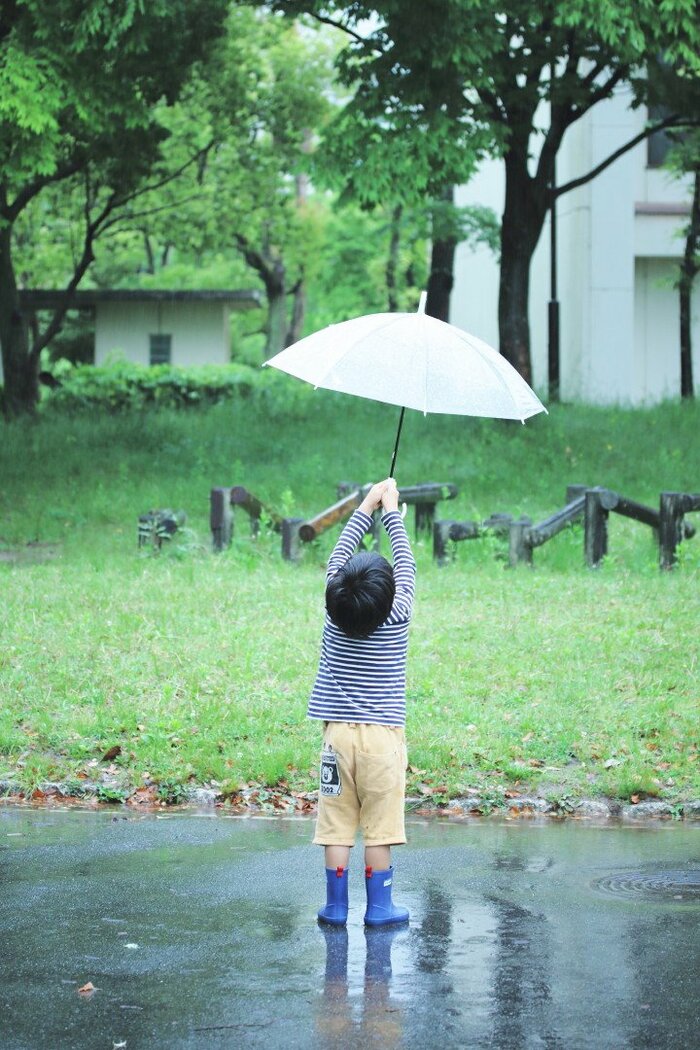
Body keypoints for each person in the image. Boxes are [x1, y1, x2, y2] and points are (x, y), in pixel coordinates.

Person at [309, 477, 416, 927]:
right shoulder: (399, 613)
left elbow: (336, 561)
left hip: (336, 740)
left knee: (336, 824)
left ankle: (336, 907)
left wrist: (367, 507)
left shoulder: (335, 612)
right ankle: (380, 907)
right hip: (382, 744)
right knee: (380, 827)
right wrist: (393, 514)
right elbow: (407, 567)